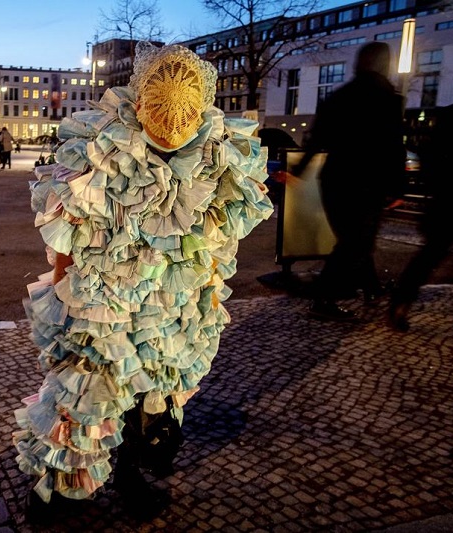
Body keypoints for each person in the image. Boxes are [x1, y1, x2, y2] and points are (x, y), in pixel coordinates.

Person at [14, 42, 273, 522]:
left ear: (198, 110)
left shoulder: (218, 154)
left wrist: (205, 300)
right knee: (88, 390)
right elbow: (69, 222)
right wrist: (60, 289)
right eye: (159, 115)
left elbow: (220, 235)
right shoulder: (103, 144)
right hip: (104, 297)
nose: (171, 131)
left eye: (182, 119)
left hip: (171, 302)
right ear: (141, 102)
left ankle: (127, 474)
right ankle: (62, 487)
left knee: (145, 394)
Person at [290, 42, 404, 321]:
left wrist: (299, 172)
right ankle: (323, 299)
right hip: (366, 183)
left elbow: (317, 139)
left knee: (354, 240)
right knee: (355, 243)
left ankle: (372, 287)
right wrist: (398, 186)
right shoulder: (386, 96)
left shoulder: (339, 95)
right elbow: (393, 144)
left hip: (334, 180)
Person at [389, 102, 453, 333]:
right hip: (447, 202)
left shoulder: (443, 127)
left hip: (444, 203)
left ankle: (400, 302)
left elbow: (429, 164)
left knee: (427, 258)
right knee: (428, 257)